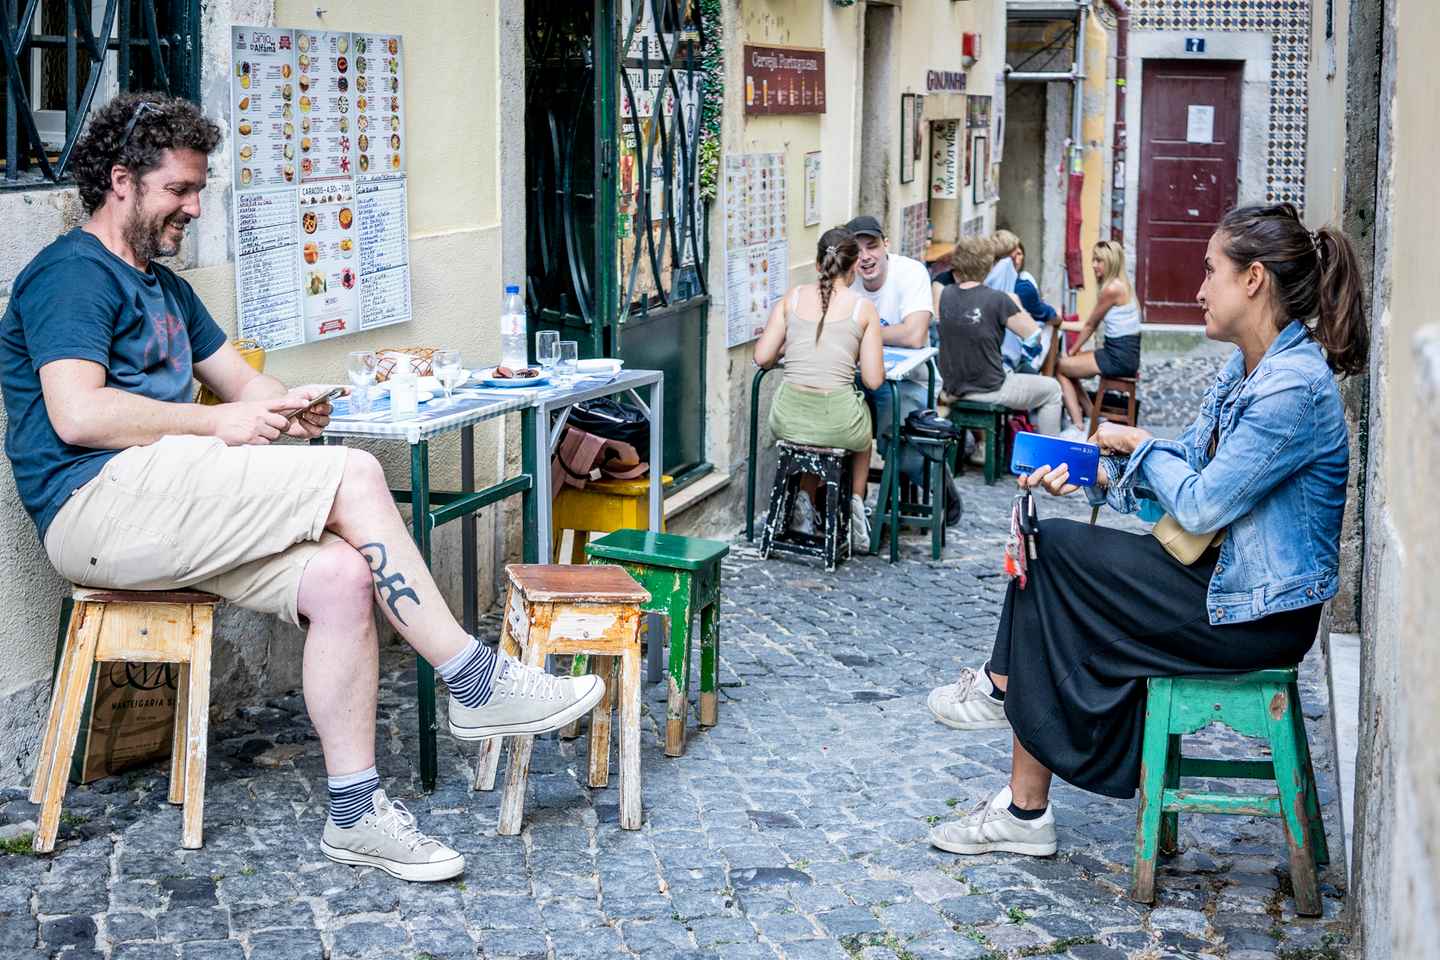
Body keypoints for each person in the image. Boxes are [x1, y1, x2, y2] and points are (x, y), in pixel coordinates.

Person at [0, 93, 604, 882]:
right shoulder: (73, 274)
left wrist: (287, 406)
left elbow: (244, 384)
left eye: (198, 189)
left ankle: (356, 815)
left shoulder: (167, 289)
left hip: (167, 501)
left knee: (343, 578)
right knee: (355, 472)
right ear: (122, 181)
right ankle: (472, 678)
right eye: (179, 189)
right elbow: (77, 414)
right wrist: (219, 424)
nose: (194, 207)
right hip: (94, 507)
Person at [923, 202, 1367, 858]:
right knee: (1050, 549)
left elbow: (1202, 504)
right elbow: (1187, 465)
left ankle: (1009, 720)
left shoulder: (1292, 389)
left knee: (1055, 554)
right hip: (1216, 580)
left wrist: (1138, 445)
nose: (1199, 289)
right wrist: (1094, 473)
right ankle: (1019, 780)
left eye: (1210, 270)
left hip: (1257, 614)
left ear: (1253, 280)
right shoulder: (1247, 369)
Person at [754, 228, 885, 551]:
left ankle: (804, 498)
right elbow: (873, 380)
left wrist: (790, 347)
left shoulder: (793, 298)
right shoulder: (863, 308)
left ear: (817, 265)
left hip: (787, 418)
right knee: (861, 426)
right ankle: (855, 504)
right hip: (837, 422)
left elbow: (762, 357)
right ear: (854, 268)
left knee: (812, 431)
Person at [846, 214, 961, 525]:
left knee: (899, 442)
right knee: (837, 425)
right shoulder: (847, 278)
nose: (865, 257)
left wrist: (863, 332)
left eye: (871, 246)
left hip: (909, 380)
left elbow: (914, 335)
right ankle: (850, 504)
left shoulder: (909, 272)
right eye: (856, 251)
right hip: (857, 378)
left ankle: (938, 481)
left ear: (886, 244)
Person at [935, 237, 1063, 436]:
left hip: (952, 388)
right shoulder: (999, 299)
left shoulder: (945, 294)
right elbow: (1033, 336)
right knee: (1052, 390)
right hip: (988, 388)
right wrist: (1017, 305)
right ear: (989, 265)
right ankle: (1051, 455)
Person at [1056, 240, 1142, 432]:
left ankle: (1078, 427)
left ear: (1111, 262)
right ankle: (1091, 414)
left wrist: (1072, 350)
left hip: (1118, 358)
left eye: (1099, 261)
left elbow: (1090, 326)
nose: (1094, 265)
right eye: (1094, 260)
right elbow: (1089, 323)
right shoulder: (1123, 285)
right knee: (1071, 367)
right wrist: (1061, 324)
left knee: (1060, 367)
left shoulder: (1111, 289)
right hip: (1125, 355)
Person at [1010, 241, 1062, 374]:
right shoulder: (1023, 287)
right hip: (1015, 351)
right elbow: (1047, 315)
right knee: (1052, 325)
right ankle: (1047, 378)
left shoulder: (1024, 278)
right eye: (1011, 254)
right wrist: (1057, 317)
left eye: (1019, 254)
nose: (1015, 259)